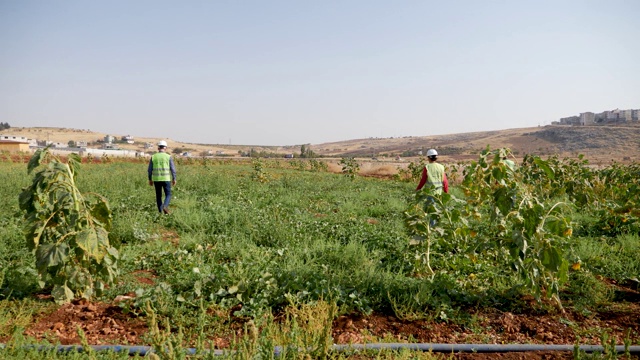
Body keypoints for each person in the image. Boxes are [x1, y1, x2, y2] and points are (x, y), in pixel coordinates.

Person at [148, 140, 177, 214]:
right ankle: (165, 206)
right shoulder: (168, 157)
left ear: (158, 148)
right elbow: (173, 169)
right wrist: (174, 178)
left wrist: (150, 179)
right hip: (166, 179)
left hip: (156, 179)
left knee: (158, 196)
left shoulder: (153, 157)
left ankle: (160, 213)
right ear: (165, 148)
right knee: (168, 194)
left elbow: (149, 170)